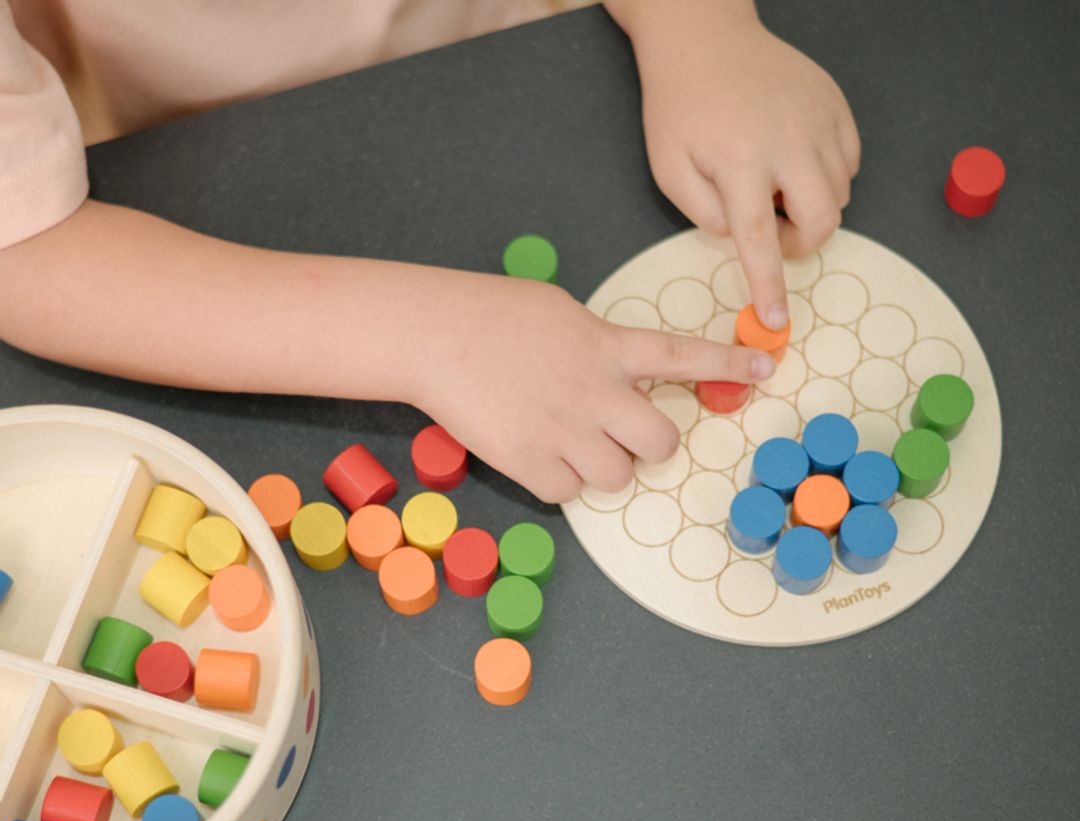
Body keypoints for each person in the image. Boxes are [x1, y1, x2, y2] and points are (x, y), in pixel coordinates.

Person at [0, 0, 858, 503]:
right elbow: (22, 247)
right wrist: (427, 339)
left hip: (532, 57)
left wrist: (699, 25)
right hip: (233, 170)